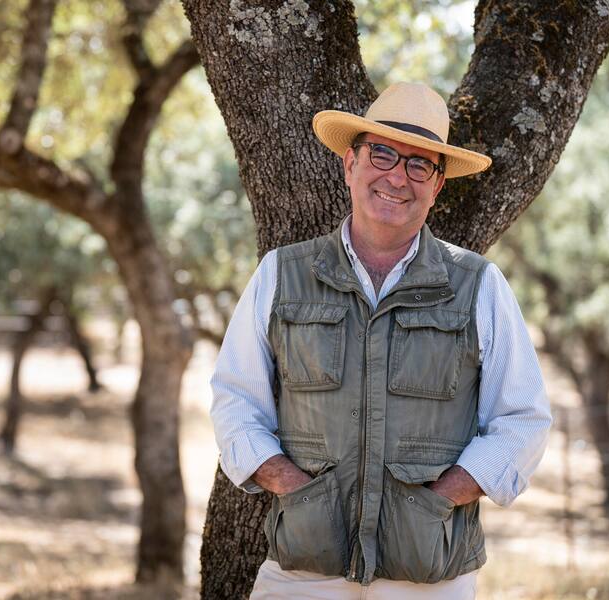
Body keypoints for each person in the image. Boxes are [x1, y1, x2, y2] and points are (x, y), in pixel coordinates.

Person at [210, 81, 552, 599]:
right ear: (350, 164)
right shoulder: (282, 273)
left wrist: (436, 500)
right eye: (383, 154)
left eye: (419, 165)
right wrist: (291, 487)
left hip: (430, 578)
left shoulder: (478, 285)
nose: (397, 176)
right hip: (303, 574)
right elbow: (235, 399)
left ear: (437, 186)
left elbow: (523, 419)